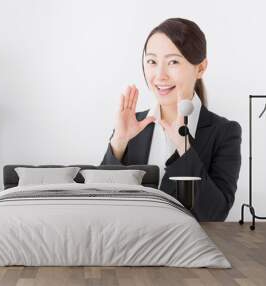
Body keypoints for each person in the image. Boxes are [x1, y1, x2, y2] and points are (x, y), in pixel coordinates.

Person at [101, 18, 242, 222]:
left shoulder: (224, 132)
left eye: (173, 62)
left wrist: (184, 150)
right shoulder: (132, 125)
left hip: (188, 251)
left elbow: (215, 213)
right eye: (152, 61)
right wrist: (119, 142)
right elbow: (102, 205)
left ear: (200, 68)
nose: (160, 75)